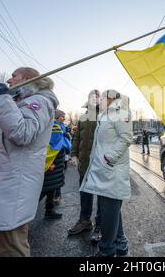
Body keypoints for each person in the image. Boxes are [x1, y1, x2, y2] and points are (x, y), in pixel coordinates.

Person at [0, 67, 58, 257]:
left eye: (14, 76)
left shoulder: (39, 101)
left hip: (13, 183)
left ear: (27, 78)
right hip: (8, 182)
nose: (9, 81)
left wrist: (2, 100)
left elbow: (22, 133)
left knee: (11, 246)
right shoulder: (24, 101)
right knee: (5, 243)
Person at [80, 89, 133, 257]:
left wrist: (107, 159)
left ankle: (106, 251)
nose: (100, 100)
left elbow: (126, 138)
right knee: (112, 210)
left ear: (110, 98)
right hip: (104, 170)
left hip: (111, 171)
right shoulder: (106, 114)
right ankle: (120, 244)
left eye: (102, 97)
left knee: (108, 210)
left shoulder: (119, 112)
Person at [68, 90, 102, 243]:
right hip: (84, 164)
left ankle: (100, 226)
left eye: (96, 97)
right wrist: (73, 154)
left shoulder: (105, 115)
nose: (93, 100)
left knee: (102, 196)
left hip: (99, 164)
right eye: (91, 97)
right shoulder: (82, 117)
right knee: (85, 194)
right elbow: (77, 138)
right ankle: (85, 221)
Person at [40, 109, 72, 220]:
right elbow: (53, 146)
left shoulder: (60, 127)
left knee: (51, 188)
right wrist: (50, 162)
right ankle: (25, 214)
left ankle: (49, 211)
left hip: (58, 162)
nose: (64, 118)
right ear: (57, 116)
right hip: (52, 162)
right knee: (45, 188)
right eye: (62, 116)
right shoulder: (54, 127)